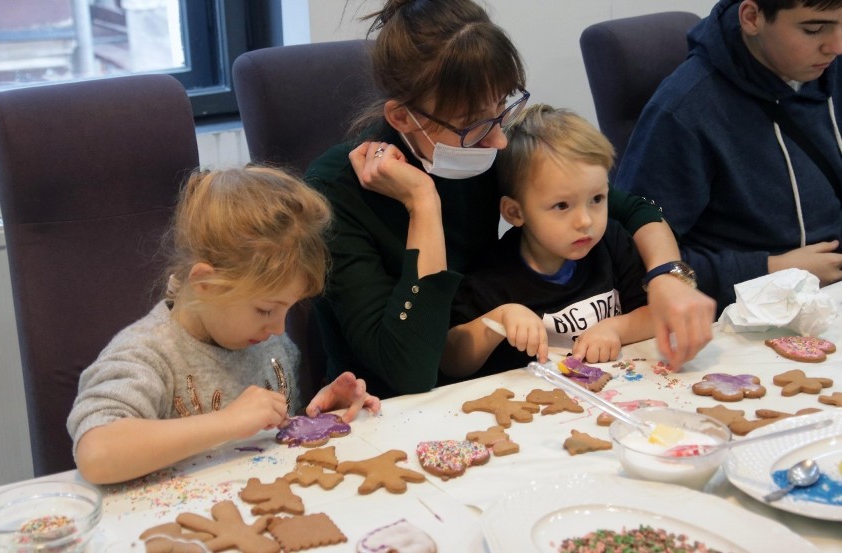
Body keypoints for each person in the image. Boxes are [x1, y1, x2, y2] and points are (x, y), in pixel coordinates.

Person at [304, 0, 714, 399]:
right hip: (383, 405)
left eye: (502, 107)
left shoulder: (480, 150)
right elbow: (409, 371)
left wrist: (667, 277)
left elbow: (630, 208)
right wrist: (423, 203)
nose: (499, 138)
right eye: (473, 124)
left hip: (483, 379)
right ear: (402, 118)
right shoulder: (336, 190)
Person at [67, 166, 381, 484]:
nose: (279, 328)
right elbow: (97, 454)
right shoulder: (148, 354)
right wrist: (229, 421)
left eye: (288, 308)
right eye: (265, 309)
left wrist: (322, 413)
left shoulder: (266, 342)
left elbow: (276, 439)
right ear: (206, 283)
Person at [615, 0, 842, 312]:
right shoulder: (684, 111)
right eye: (813, 29)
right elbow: (634, 255)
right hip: (749, 312)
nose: (836, 46)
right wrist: (769, 269)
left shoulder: (830, 68)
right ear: (752, 18)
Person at [443, 105, 654, 377]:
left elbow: (657, 314)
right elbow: (450, 361)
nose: (585, 221)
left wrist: (615, 328)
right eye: (562, 206)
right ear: (515, 213)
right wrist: (498, 320)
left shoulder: (612, 243)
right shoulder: (493, 277)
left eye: (597, 199)